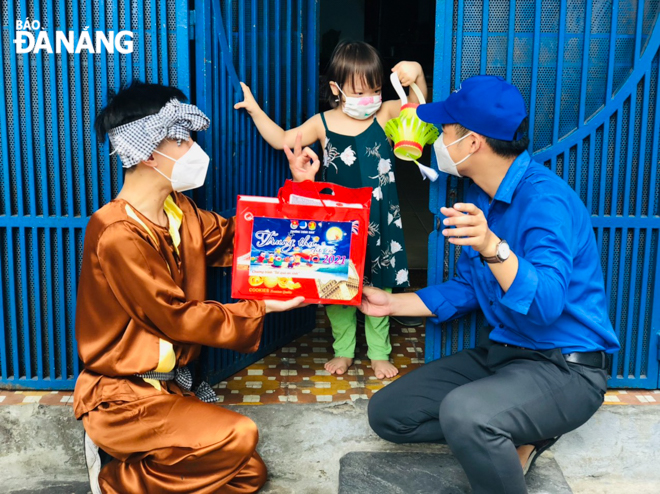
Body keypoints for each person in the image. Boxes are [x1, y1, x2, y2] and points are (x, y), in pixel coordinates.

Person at [361, 75, 620, 494]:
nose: (438, 140)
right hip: (503, 356)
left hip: (564, 369)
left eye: (445, 130)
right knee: (388, 413)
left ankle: (505, 430)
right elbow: (468, 288)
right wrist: (390, 303)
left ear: (473, 142)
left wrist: (492, 245)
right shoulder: (480, 196)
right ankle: (509, 432)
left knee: (467, 414)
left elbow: (547, 304)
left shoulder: (545, 201)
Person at [73, 81, 319, 494]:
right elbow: (177, 318)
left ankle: (141, 472)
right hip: (122, 395)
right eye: (182, 140)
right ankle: (113, 478)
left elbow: (243, 239)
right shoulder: (116, 232)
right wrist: (263, 308)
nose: (195, 151)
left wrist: (300, 191)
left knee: (248, 475)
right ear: (148, 152)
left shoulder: (179, 210)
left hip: (170, 386)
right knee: (239, 435)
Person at [235, 40, 428, 379]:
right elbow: (283, 139)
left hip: (380, 219)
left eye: (376, 90)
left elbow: (420, 110)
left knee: (380, 286)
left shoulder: (384, 114)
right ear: (336, 88)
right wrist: (254, 110)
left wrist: (417, 75)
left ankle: (379, 352)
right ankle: (344, 350)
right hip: (337, 222)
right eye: (358, 92)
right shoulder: (322, 123)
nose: (368, 100)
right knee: (337, 285)